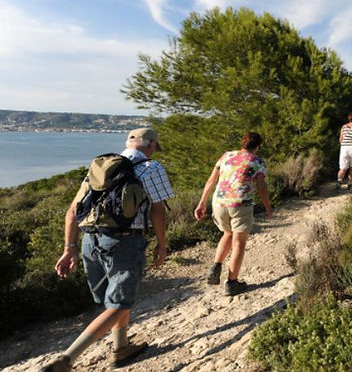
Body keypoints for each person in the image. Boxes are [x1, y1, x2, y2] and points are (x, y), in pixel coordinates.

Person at [44, 128, 173, 371]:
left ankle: (121, 348)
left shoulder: (100, 166)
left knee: (113, 301)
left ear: (127, 144)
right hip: (124, 242)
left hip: (89, 241)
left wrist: (68, 248)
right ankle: (68, 358)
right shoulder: (151, 168)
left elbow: (73, 210)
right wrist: (162, 244)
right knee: (119, 304)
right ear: (152, 145)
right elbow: (158, 210)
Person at [193, 131, 273, 296]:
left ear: (243, 143)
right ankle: (232, 283)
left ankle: (216, 266)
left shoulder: (226, 156)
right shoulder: (257, 161)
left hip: (219, 203)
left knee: (227, 234)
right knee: (239, 243)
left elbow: (211, 181)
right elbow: (261, 187)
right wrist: (268, 207)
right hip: (240, 204)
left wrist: (202, 203)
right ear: (258, 146)